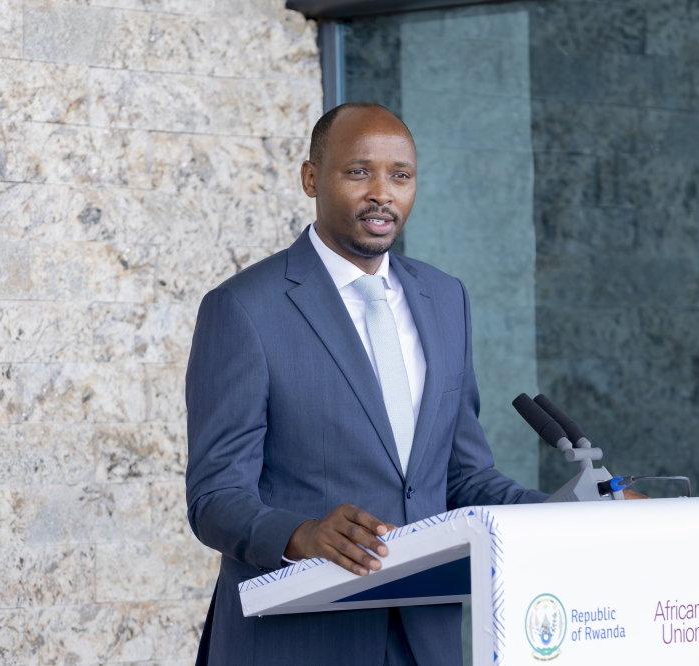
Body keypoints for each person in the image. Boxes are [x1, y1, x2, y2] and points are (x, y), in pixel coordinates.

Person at [185, 102, 550, 665]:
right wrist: (300, 535)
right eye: (359, 172)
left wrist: (572, 514)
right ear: (312, 177)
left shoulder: (446, 297)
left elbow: (463, 479)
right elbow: (214, 498)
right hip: (297, 641)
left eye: (400, 176)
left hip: (425, 639)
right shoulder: (242, 309)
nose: (383, 192)